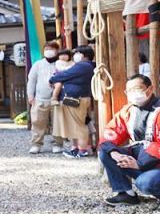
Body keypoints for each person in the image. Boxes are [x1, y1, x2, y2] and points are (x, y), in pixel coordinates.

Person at [99, 74, 160, 205]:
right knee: (106, 151)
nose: (133, 93)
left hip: (153, 162)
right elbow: (110, 133)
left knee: (145, 183)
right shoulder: (128, 111)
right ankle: (125, 193)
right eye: (129, 91)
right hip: (139, 158)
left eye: (137, 88)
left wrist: (140, 164)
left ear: (149, 89)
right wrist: (116, 155)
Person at [49, 45, 95, 159]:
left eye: (77, 53)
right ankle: (76, 148)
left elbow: (65, 74)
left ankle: (82, 150)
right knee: (75, 125)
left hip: (76, 98)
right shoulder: (84, 66)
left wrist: (53, 78)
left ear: (84, 55)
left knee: (79, 125)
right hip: (74, 98)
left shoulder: (83, 65)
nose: (75, 55)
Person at [27, 42, 65, 154]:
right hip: (40, 98)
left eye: (52, 49)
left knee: (57, 123)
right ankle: (36, 144)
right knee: (37, 122)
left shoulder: (61, 64)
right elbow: (31, 81)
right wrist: (30, 96)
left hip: (57, 99)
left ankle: (57, 144)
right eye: (47, 48)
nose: (49, 50)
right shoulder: (38, 64)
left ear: (57, 50)